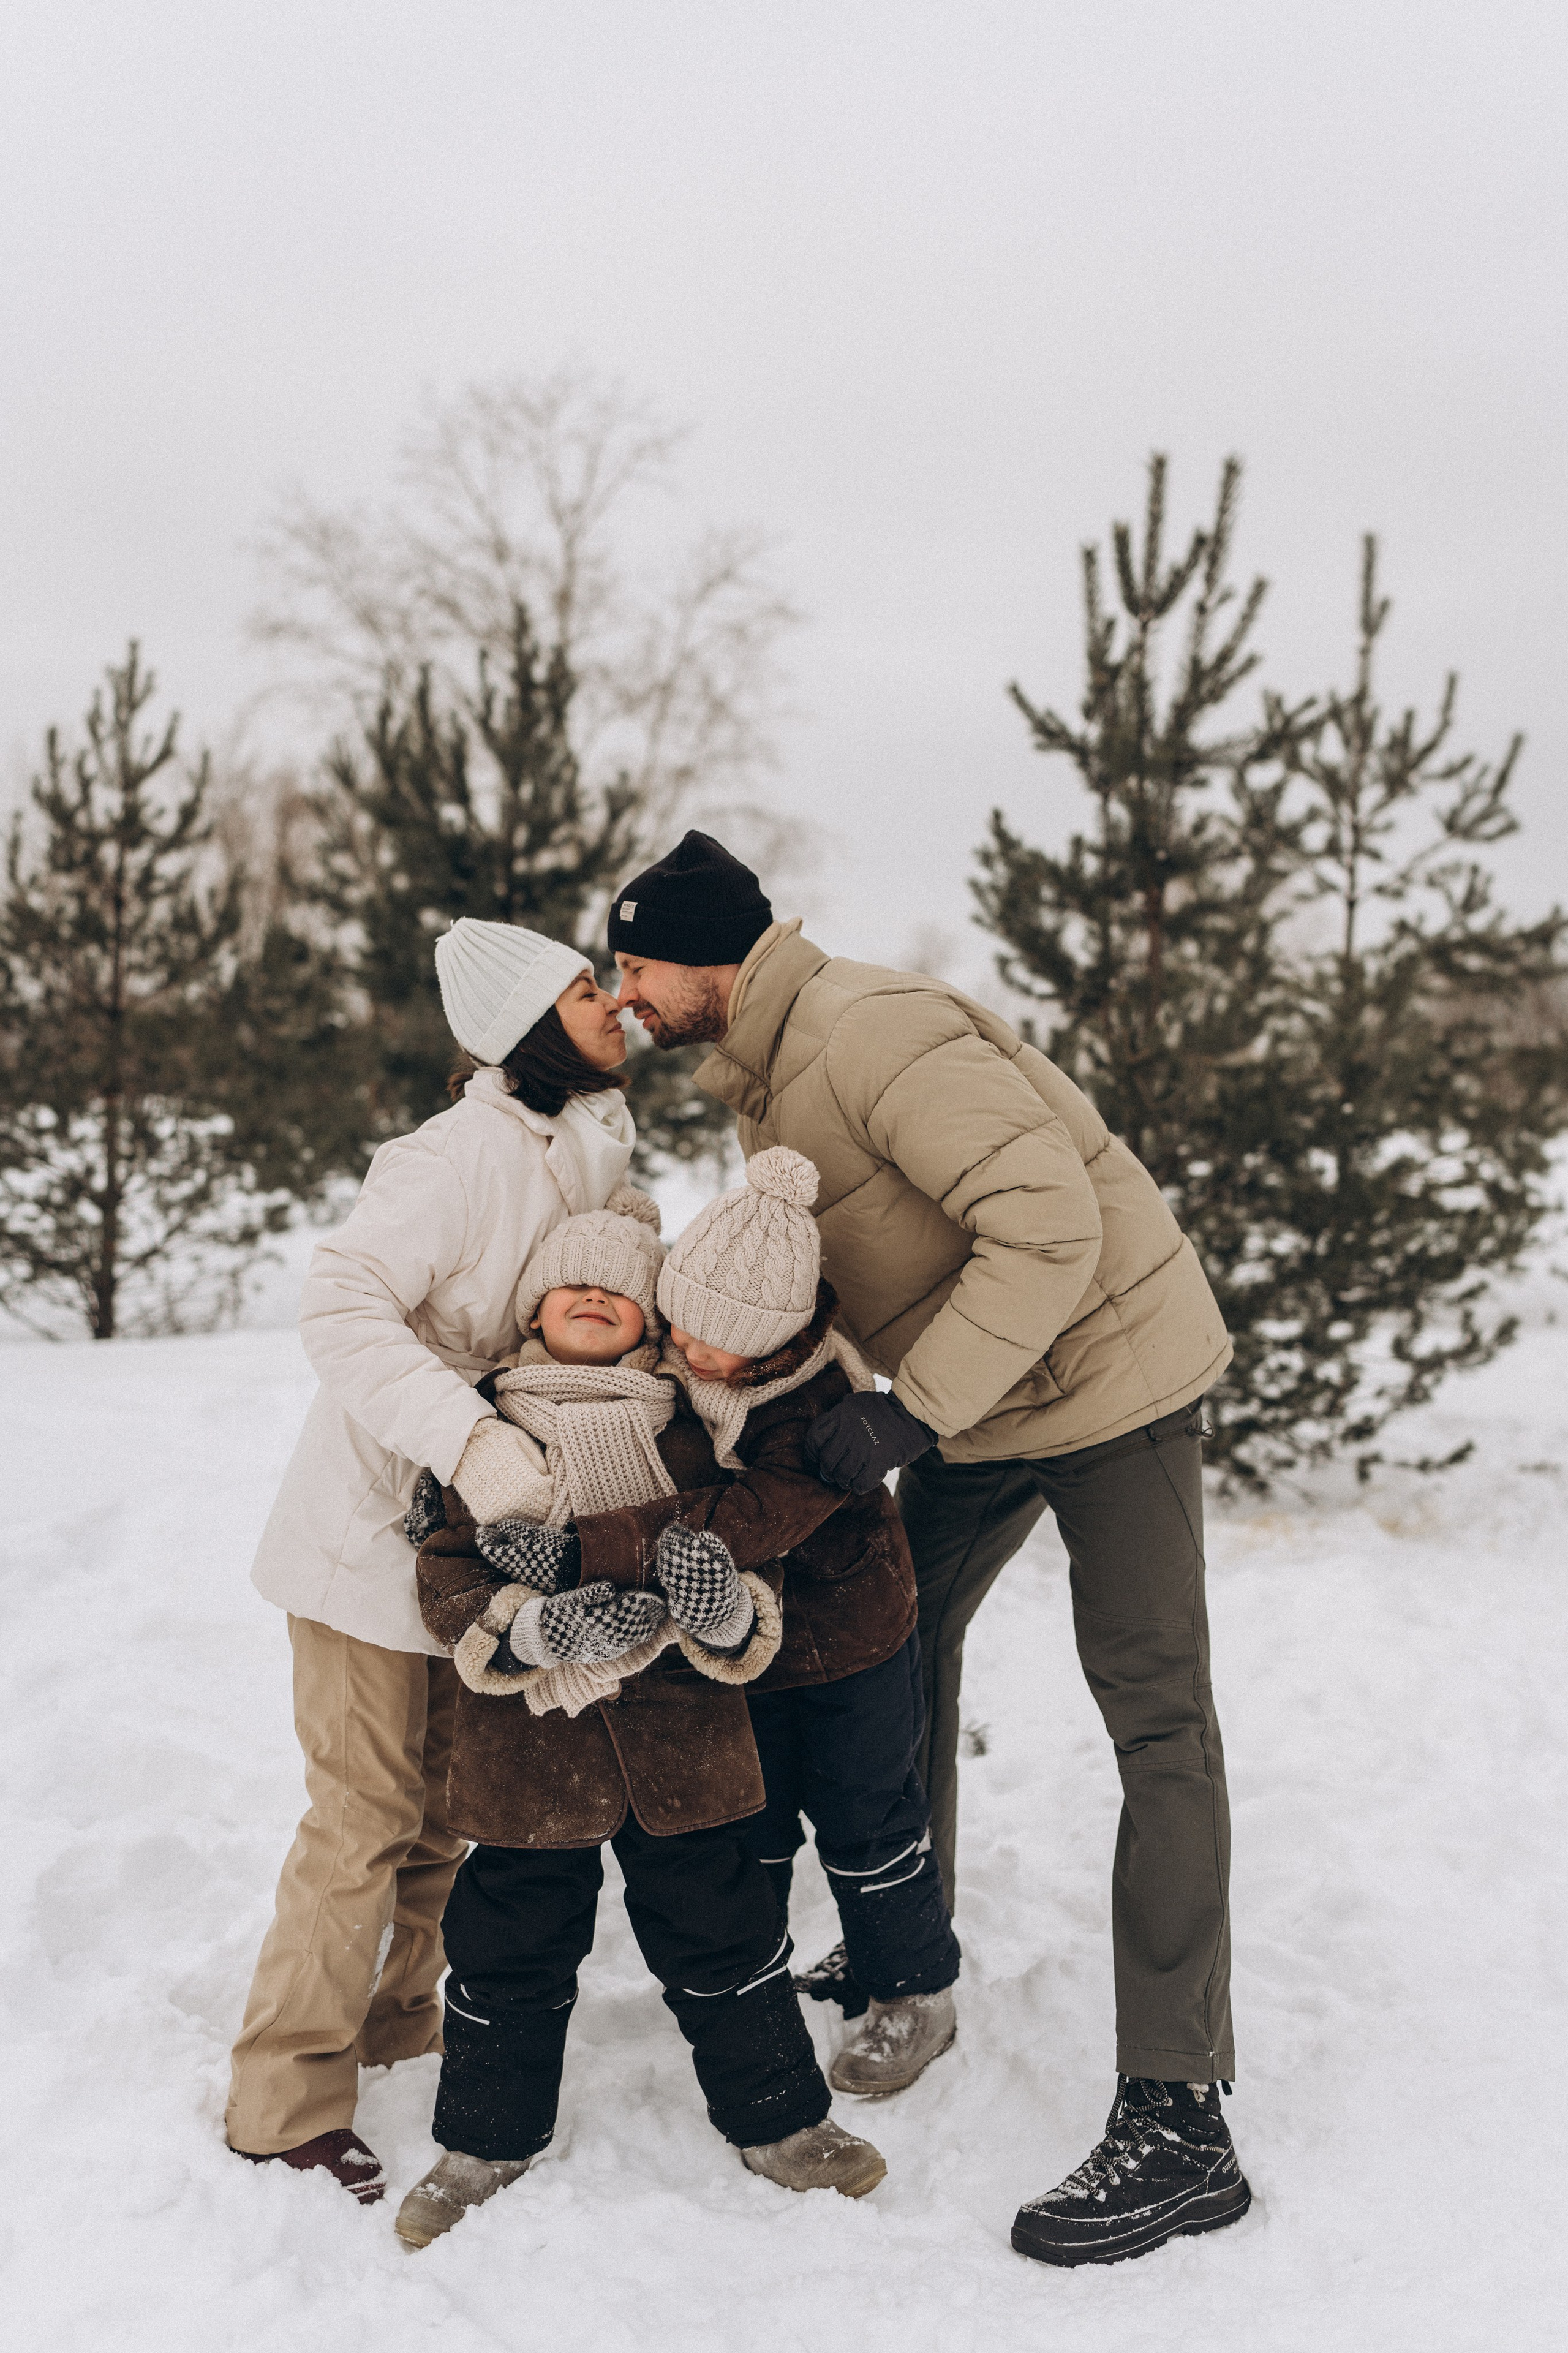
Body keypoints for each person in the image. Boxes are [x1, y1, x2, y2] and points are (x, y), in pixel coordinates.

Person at [609, 831, 1253, 2268]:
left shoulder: (869, 1029)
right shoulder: (776, 1070)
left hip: (1111, 1383)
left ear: (706, 953)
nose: (626, 993)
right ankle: (912, 1952)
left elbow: (1048, 1222)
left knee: (1155, 1718)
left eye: (636, 963)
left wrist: (910, 1411)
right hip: (986, 1403)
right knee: (884, 1632)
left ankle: (1180, 2106)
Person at [395, 1169, 887, 2247]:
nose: (589, 1297)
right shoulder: (479, 1437)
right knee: (507, 1946)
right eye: (569, 1282)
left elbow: (741, 1575)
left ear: (648, 1324)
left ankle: (781, 2122)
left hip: (685, 1747)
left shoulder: (692, 1439)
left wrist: (720, 1612)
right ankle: (484, 2140)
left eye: (614, 1292)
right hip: (530, 1752)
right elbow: (446, 1579)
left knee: (728, 1933)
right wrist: (530, 1629)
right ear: (533, 1308)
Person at [226, 918, 639, 2203]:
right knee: (359, 1816)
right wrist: (466, 1436)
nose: (616, 1002)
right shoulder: (451, 1155)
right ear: (525, 1021)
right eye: (586, 989)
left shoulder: (595, 1140)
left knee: (440, 1816)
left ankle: (399, 2016)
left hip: (486, 1542)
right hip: (371, 1529)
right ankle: (284, 2098)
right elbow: (339, 1303)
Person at [570, 1146, 962, 2102]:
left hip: (848, 1644)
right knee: (757, 1822)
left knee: (867, 1820)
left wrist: (607, 1544)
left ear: (778, 1340)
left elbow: (747, 1520)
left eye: (717, 1344)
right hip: (750, 1651)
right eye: (681, 1328)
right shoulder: (680, 1351)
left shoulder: (816, 1404)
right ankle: (760, 1988)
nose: (690, 1353)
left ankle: (912, 1990)